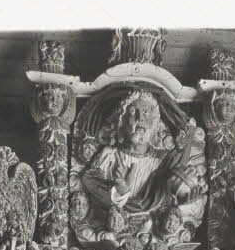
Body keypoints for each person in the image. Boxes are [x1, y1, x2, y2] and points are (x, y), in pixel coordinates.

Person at [79, 90, 203, 239]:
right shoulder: (109, 155)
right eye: (132, 112)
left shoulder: (163, 162)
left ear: (154, 122)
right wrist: (119, 191)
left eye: (146, 112)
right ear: (122, 120)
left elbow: (173, 196)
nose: (140, 118)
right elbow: (89, 180)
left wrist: (184, 200)